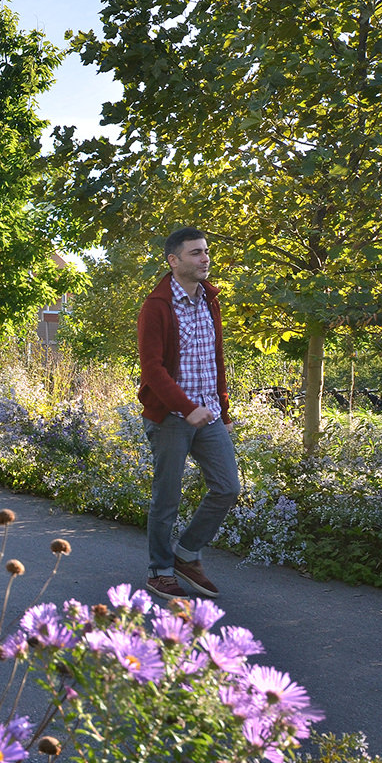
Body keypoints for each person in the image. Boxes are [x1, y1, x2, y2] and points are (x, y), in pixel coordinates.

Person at [137, 227, 239, 602]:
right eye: (196, 253)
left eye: (206, 251)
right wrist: (186, 407)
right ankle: (160, 571)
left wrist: (221, 408)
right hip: (170, 416)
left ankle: (186, 555)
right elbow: (153, 370)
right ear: (174, 260)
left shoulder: (211, 300)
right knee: (167, 497)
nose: (205, 258)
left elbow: (216, 360)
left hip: (207, 411)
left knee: (228, 487)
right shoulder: (157, 307)